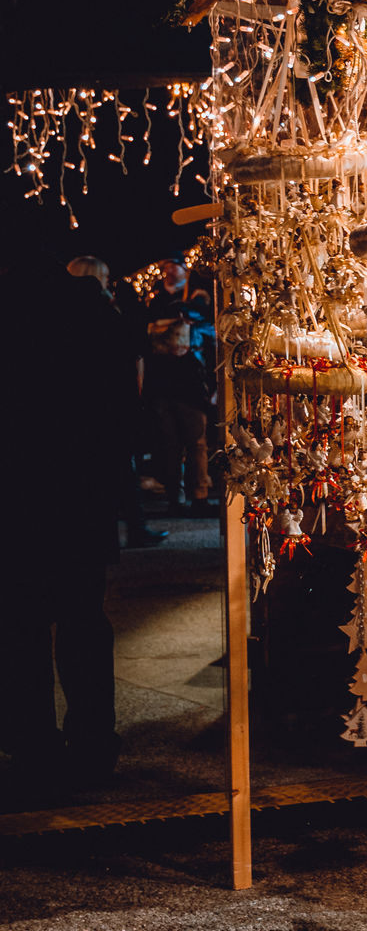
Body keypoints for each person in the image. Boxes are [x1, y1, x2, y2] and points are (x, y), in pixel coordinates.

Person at [1, 250, 130, 787]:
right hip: (82, 494)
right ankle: (95, 743)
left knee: (21, 627)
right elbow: (124, 404)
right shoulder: (99, 317)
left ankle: (33, 745)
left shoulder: (10, 317)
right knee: (84, 622)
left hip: (16, 496)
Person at [68, 256, 166, 546]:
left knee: (98, 472)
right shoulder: (109, 315)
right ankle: (129, 529)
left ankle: (106, 532)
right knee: (121, 468)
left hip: (82, 406)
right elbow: (131, 358)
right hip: (111, 405)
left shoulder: (64, 316)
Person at [143, 316, 215, 515]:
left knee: (178, 447)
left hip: (172, 389)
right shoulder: (195, 321)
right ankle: (193, 496)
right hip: (182, 389)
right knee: (191, 446)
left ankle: (180, 496)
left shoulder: (161, 315)